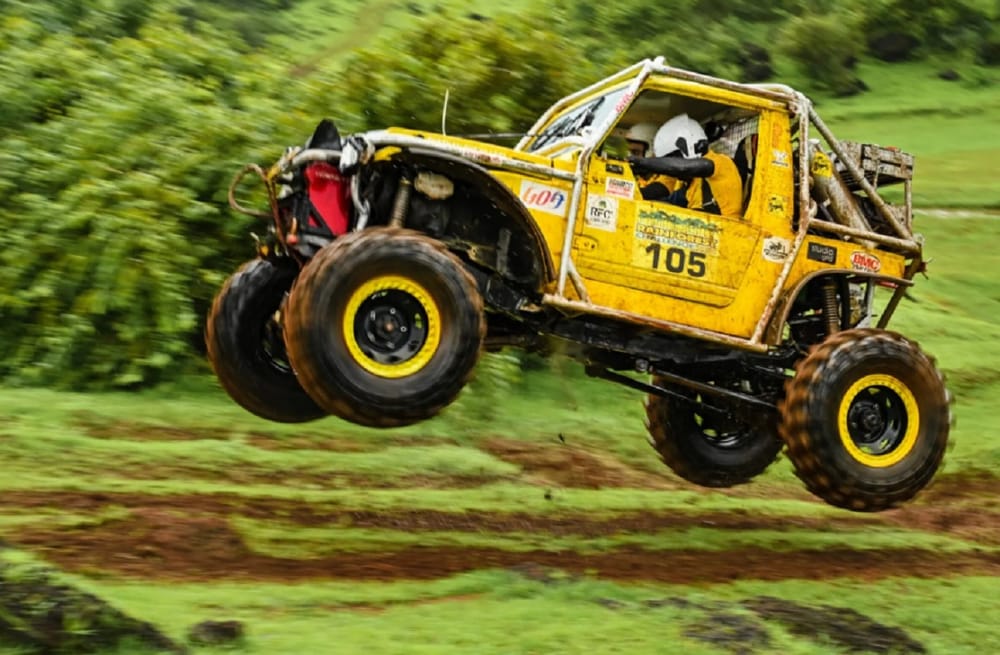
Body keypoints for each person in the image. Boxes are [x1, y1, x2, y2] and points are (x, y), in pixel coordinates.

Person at [629, 113, 743, 216]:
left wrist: (642, 163)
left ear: (688, 147)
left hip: (725, 234)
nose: (671, 163)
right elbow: (660, 189)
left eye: (673, 157)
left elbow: (682, 167)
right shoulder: (688, 181)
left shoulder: (721, 163)